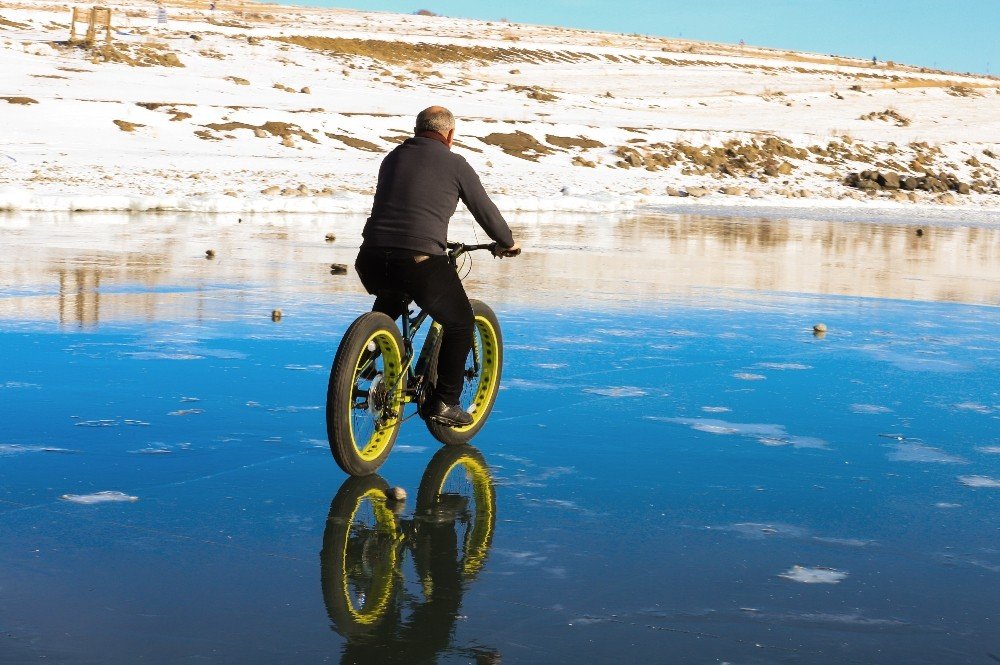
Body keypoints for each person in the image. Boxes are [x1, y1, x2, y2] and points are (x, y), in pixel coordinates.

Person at [355, 106, 520, 427]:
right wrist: (507, 241)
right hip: (418, 260)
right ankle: (445, 402)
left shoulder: (392, 158)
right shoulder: (455, 163)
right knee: (460, 321)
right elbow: (484, 210)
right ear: (450, 135)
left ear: (417, 130)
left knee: (392, 296)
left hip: (371, 257)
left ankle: (363, 361)